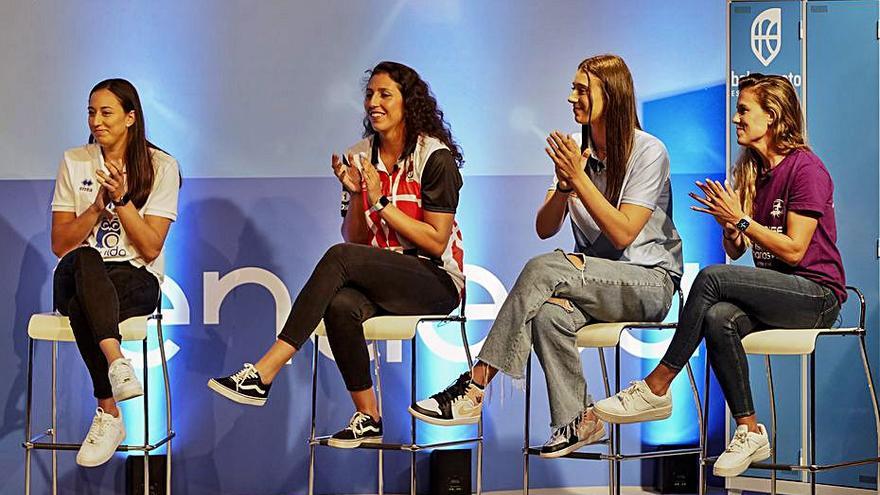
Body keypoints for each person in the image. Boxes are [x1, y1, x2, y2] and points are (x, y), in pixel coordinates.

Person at [409, 54, 683, 458]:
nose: (571, 97)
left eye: (581, 89)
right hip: (593, 284)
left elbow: (625, 231)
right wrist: (564, 184)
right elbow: (545, 226)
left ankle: (475, 385)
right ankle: (579, 420)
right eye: (572, 87)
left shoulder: (648, 151)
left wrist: (577, 178)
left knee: (542, 268)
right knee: (549, 314)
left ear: (612, 95)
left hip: (649, 281)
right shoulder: (578, 155)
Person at [594, 74, 845, 477]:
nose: (735, 119)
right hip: (779, 294)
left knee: (712, 278)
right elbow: (737, 250)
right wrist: (731, 228)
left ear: (773, 116)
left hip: (816, 296)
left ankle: (658, 385)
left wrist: (742, 220)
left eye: (744, 110)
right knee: (717, 318)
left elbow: (796, 250)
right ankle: (749, 430)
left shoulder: (806, 169)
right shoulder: (752, 171)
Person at [208, 61, 465, 449]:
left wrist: (380, 203)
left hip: (434, 279)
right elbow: (356, 239)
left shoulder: (434, 157)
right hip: (384, 276)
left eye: (384, 95)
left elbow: (435, 241)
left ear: (408, 103)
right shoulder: (361, 155)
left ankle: (266, 370)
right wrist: (360, 195)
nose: (373, 103)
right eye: (369, 95)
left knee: (339, 258)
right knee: (341, 303)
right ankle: (369, 415)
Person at [51, 78, 181, 467]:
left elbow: (151, 247)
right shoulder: (75, 161)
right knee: (86, 259)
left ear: (130, 117)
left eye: (106, 112)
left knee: (82, 307)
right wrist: (94, 208)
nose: (97, 121)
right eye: (91, 112)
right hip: (77, 269)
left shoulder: (161, 166)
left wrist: (121, 200)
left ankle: (108, 411)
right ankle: (116, 361)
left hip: (134, 279)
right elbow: (60, 245)